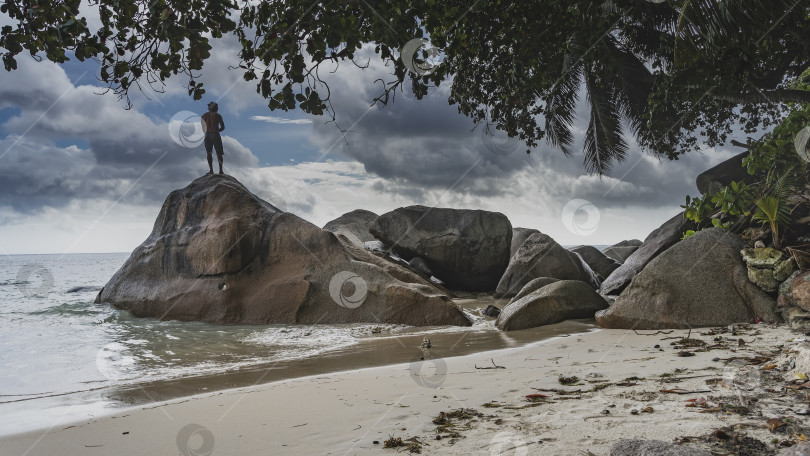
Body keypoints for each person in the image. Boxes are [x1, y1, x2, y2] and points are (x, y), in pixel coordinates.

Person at [201, 102, 225, 175]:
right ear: (214, 108)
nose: (218, 108)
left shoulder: (203, 116)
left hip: (207, 135)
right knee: (219, 153)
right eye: (217, 107)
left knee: (209, 152)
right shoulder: (218, 115)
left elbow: (203, 128)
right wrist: (218, 130)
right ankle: (221, 171)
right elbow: (223, 127)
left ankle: (211, 170)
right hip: (215, 134)